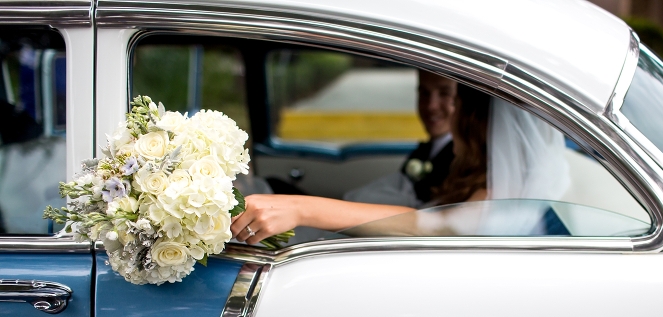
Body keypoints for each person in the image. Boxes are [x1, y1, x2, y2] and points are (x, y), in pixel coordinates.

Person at [231, 84, 570, 245]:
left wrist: (302, 209)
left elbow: (431, 226)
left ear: (473, 120)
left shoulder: (500, 196)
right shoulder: (490, 179)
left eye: (456, 104)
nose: (448, 114)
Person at [342, 70, 457, 207]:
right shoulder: (424, 150)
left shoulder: (464, 161)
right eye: (424, 93)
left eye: (444, 94)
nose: (431, 106)